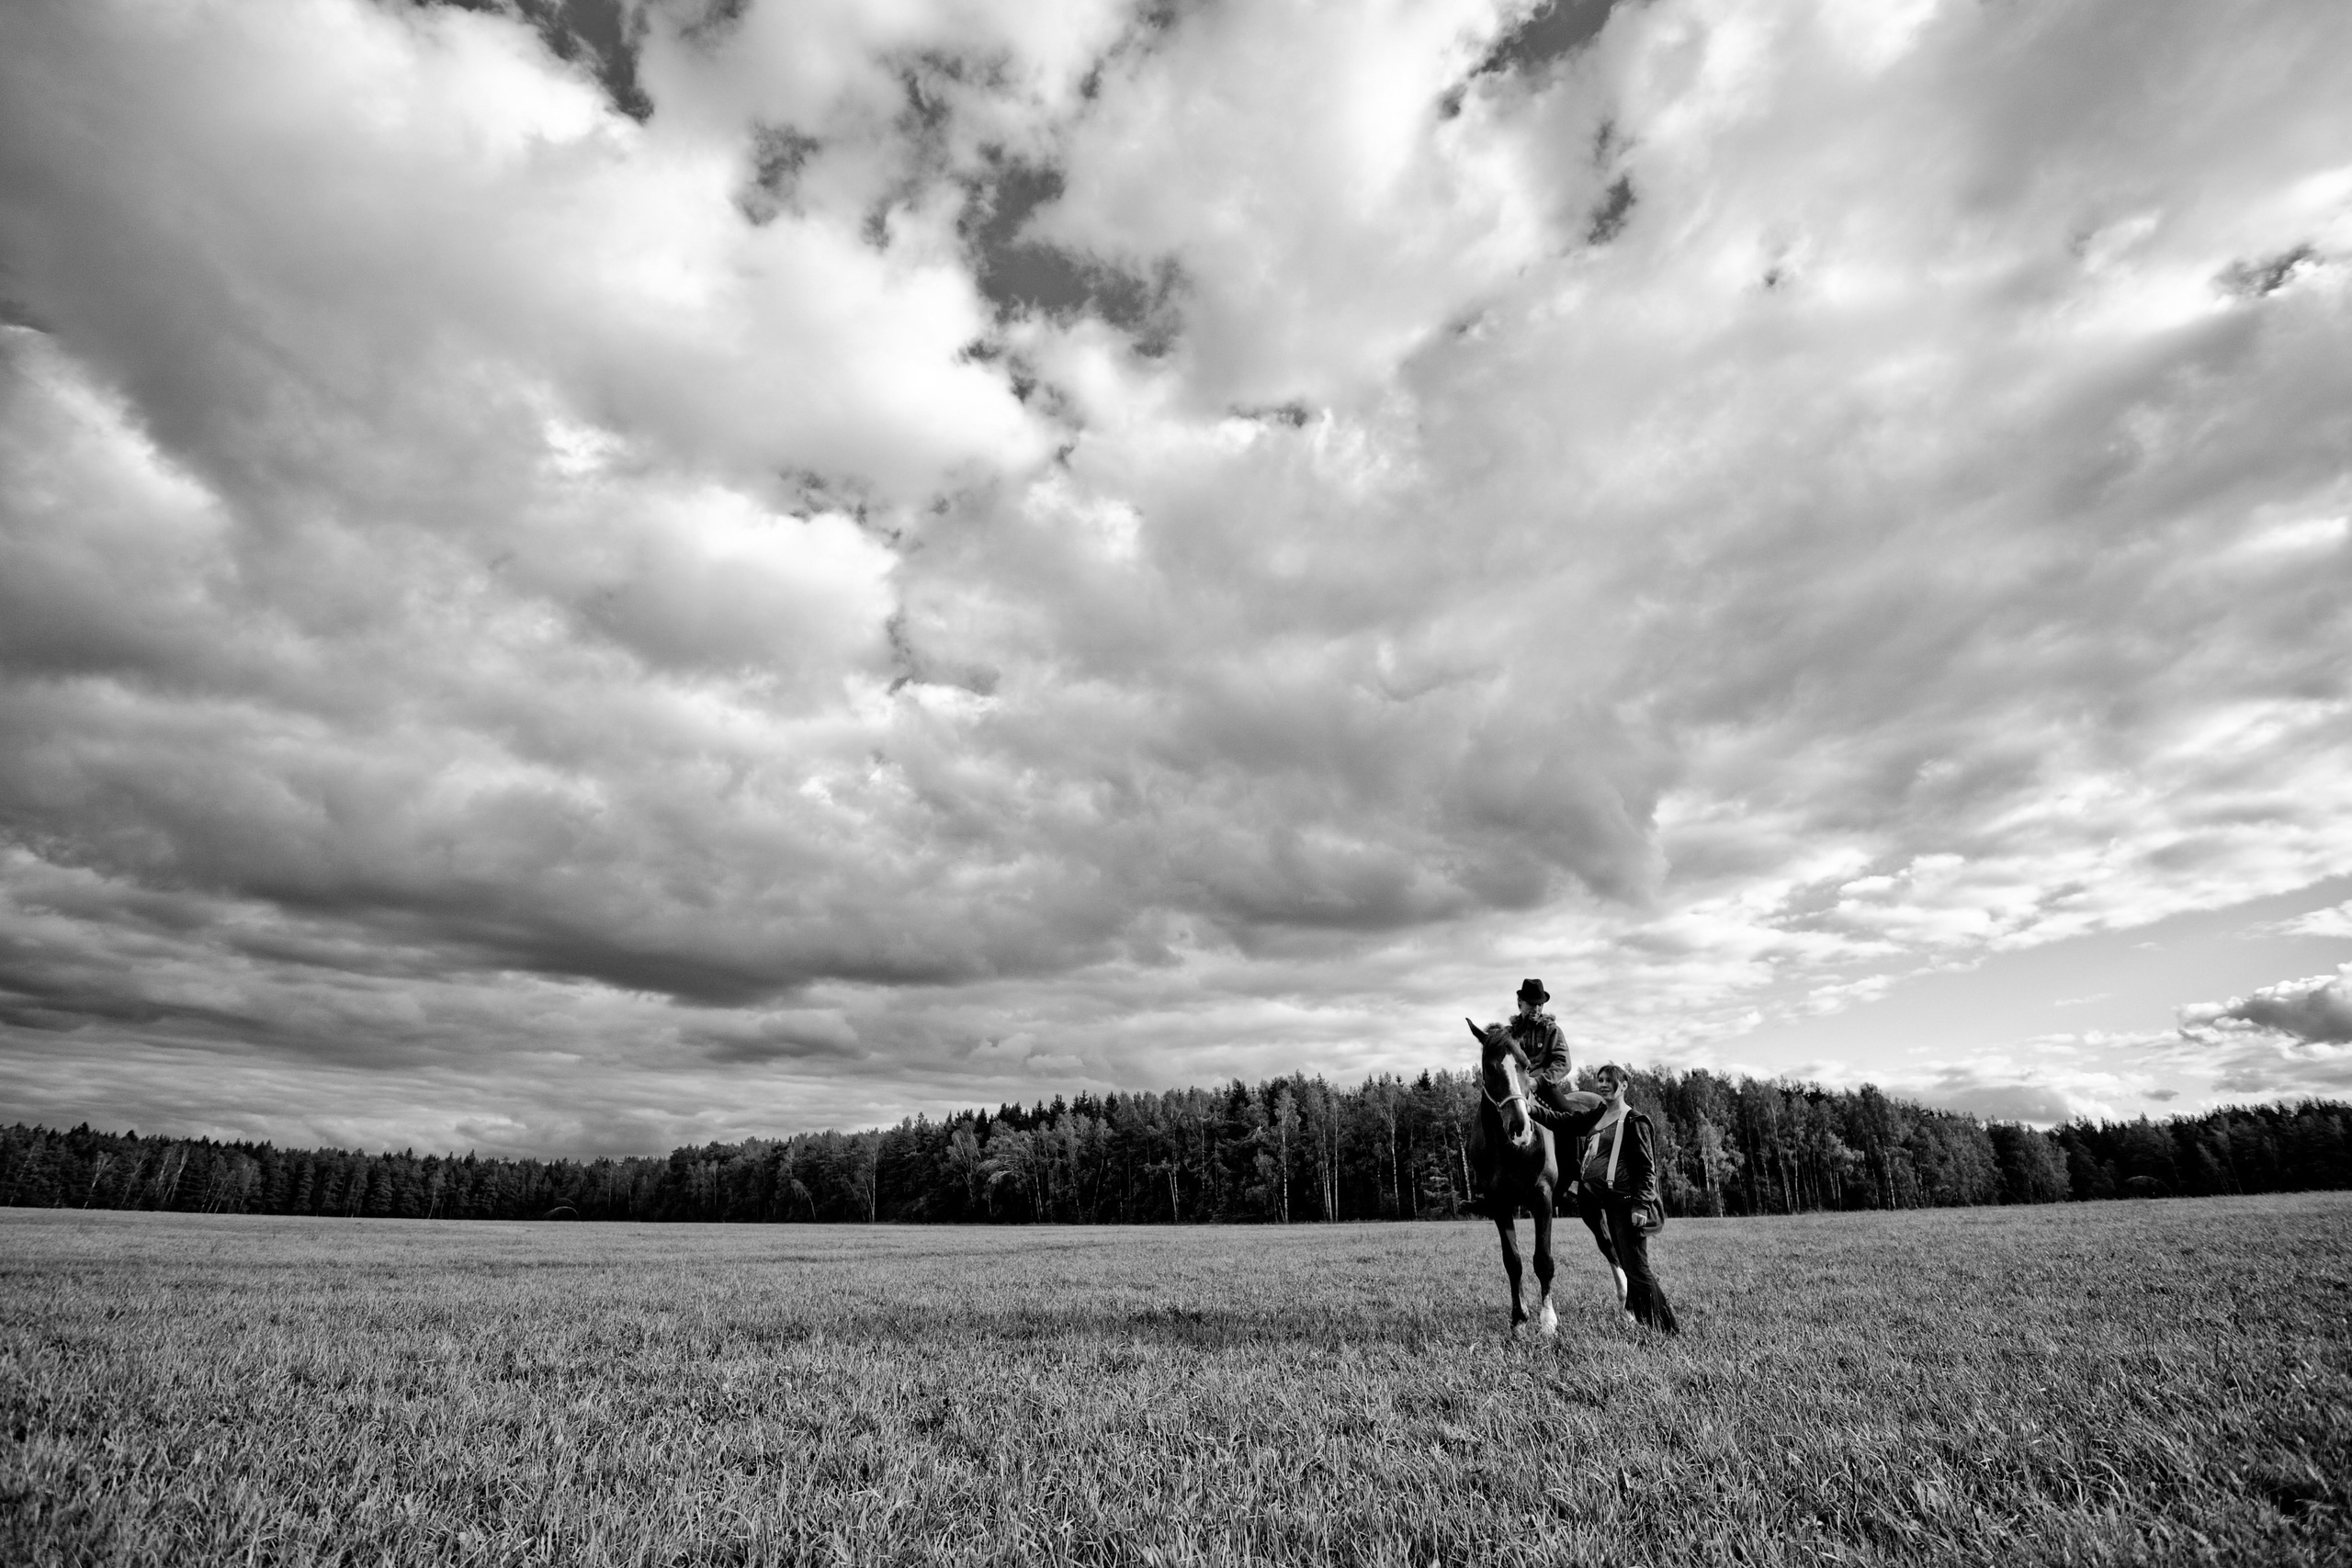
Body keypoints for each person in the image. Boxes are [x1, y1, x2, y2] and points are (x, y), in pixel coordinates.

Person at [1574, 1063, 1680, 1334]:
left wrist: (1641, 1205)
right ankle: (1651, 1324)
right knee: (1633, 1266)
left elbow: (1647, 1168)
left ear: (1623, 1085)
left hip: (1628, 1203)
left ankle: (1666, 1329)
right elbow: (1565, 1121)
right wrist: (1532, 1110)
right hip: (1611, 1202)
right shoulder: (1601, 1115)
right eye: (1600, 1080)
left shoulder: (1634, 1120)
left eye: (1610, 1080)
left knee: (1636, 1269)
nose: (1603, 1084)